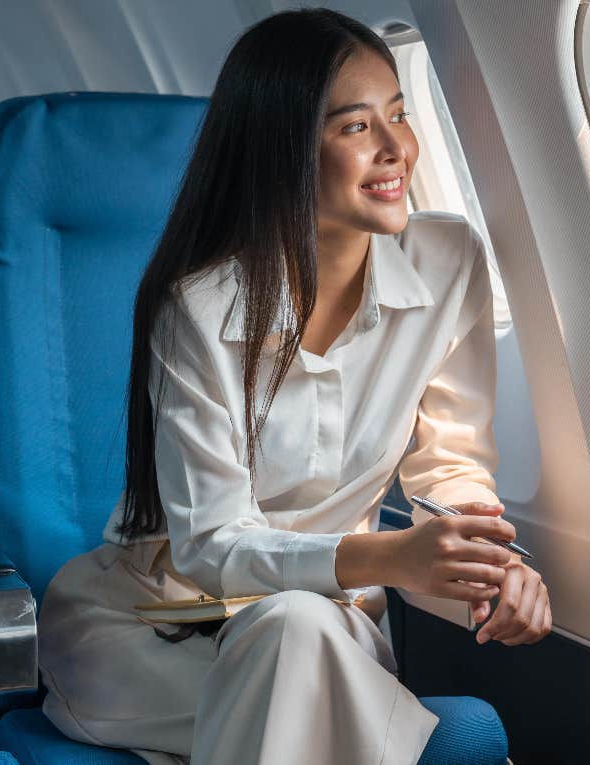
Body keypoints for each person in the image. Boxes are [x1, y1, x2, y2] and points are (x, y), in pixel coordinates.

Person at [36, 9, 550, 765]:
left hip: (322, 624)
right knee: (301, 658)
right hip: (152, 627)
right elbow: (213, 544)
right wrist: (389, 558)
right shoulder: (199, 309)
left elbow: (451, 461)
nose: (395, 148)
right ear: (283, 151)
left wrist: (485, 563)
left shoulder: (451, 264)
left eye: (398, 114)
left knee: (297, 636)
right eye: (354, 127)